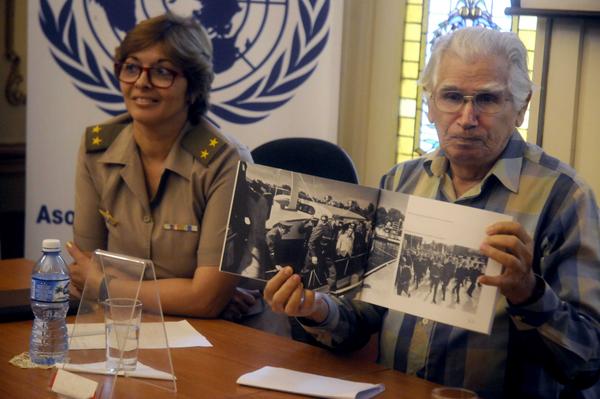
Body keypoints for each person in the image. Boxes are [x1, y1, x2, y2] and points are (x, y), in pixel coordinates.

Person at [263, 27, 600, 398]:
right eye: (452, 96)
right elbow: (361, 319)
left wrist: (529, 293)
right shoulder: (400, 182)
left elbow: (587, 360)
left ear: (520, 107)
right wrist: (315, 308)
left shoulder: (564, 197)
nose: (467, 117)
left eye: (487, 99)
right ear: (429, 104)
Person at [67, 13, 255, 319]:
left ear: (193, 86)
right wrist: (186, 294)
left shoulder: (227, 162)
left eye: (162, 72)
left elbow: (205, 301)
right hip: (124, 324)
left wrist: (104, 285)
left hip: (218, 335)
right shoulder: (96, 150)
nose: (141, 82)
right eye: (130, 68)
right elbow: (82, 273)